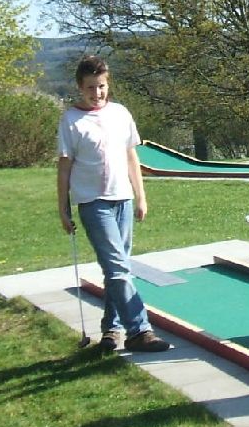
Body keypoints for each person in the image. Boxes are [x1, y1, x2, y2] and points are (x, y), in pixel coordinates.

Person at [57, 55, 171, 354]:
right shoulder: (71, 121)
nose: (97, 94)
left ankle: (111, 329)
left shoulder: (120, 113)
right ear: (80, 88)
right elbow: (64, 167)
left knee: (116, 269)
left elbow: (131, 156)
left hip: (122, 198)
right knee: (119, 269)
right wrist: (63, 208)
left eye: (102, 86)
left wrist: (141, 196)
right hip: (93, 202)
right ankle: (139, 330)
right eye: (91, 88)